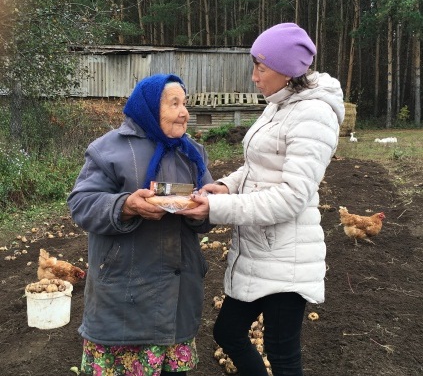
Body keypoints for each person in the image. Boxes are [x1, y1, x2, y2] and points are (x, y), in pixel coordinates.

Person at [177, 23, 345, 376]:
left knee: (282, 356)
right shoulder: (279, 105)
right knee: (227, 332)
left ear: (287, 71)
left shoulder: (313, 114)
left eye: (261, 67)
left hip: (287, 256)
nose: (254, 77)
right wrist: (226, 186)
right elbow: (257, 167)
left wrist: (218, 208)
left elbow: (292, 197)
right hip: (259, 248)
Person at [67, 73, 215, 376]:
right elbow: (81, 204)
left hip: (178, 297)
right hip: (124, 294)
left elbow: (209, 208)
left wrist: (203, 212)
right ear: (148, 107)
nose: (184, 113)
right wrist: (126, 206)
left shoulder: (192, 153)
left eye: (185, 104)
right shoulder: (109, 149)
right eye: (174, 104)